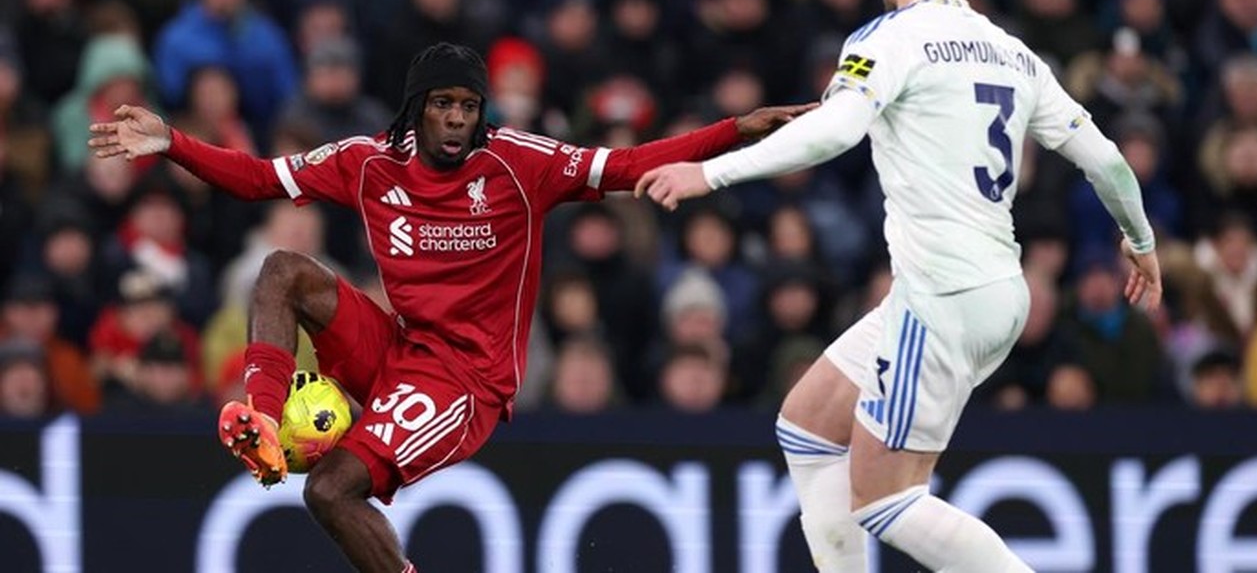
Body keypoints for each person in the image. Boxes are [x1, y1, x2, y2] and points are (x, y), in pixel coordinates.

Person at [87, 41, 807, 573]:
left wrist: (734, 131)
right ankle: (265, 426)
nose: (458, 119)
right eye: (443, 105)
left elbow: (625, 166)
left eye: (468, 106)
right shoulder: (368, 160)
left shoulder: (520, 164)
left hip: (466, 379)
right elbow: (257, 180)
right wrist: (172, 143)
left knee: (332, 491)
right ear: (416, 111)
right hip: (399, 347)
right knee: (281, 270)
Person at [636, 0, 1163, 573]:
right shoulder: (1013, 53)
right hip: (994, 288)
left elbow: (835, 130)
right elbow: (1109, 162)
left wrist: (711, 175)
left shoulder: (890, 39)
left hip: (940, 293)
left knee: (885, 500)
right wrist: (1142, 243)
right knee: (806, 425)